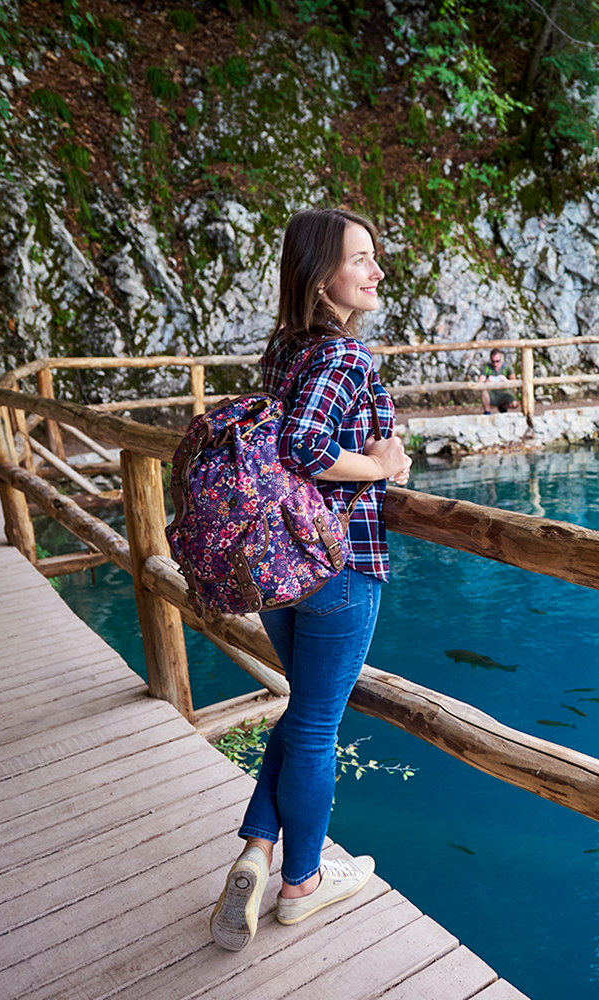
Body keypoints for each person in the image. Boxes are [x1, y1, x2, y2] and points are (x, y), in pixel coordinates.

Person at [210, 207, 411, 952]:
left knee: (304, 714)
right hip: (341, 564)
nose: (376, 272)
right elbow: (304, 446)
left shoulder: (285, 352)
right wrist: (384, 466)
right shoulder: (346, 358)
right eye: (361, 259)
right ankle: (302, 884)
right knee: (320, 726)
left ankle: (259, 850)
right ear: (321, 276)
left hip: (282, 569)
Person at [478, 348, 515, 414]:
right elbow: (479, 384)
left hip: (504, 393)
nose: (495, 364)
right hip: (491, 394)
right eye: (493, 361)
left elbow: (515, 383)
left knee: (514, 404)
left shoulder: (507, 367)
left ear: (501, 359)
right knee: (483, 390)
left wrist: (506, 380)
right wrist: (487, 381)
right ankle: (487, 411)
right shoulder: (486, 368)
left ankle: (503, 407)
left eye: (497, 361)